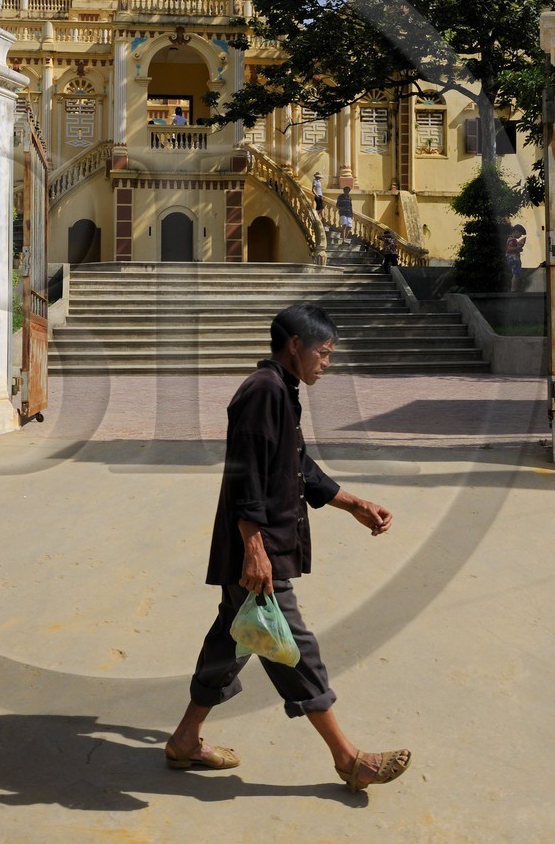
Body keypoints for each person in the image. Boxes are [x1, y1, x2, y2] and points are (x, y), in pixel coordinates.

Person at [164, 303, 411, 794]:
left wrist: (352, 502)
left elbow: (298, 465)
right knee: (291, 646)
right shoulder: (263, 392)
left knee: (232, 640)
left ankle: (185, 740)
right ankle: (349, 758)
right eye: (323, 352)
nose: (327, 362)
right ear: (294, 345)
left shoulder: (282, 391)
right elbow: (245, 474)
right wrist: (253, 547)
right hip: (256, 551)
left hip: (258, 547)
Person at [505, 224, 527, 289]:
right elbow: (508, 249)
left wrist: (519, 249)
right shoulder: (512, 240)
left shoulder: (513, 240)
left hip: (514, 258)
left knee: (516, 274)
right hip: (513, 259)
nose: (520, 236)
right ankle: (513, 289)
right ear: (516, 232)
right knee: (516, 274)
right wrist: (517, 248)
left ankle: (514, 288)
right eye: (520, 234)